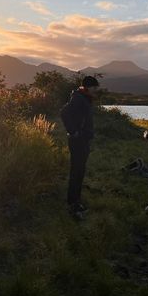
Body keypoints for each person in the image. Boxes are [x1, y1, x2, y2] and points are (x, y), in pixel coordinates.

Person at [60, 75, 99, 218]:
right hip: (78, 141)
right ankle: (73, 205)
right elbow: (64, 113)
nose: (96, 90)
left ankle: (75, 201)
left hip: (83, 140)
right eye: (95, 88)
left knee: (79, 171)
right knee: (76, 172)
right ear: (88, 87)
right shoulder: (78, 98)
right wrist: (74, 132)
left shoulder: (84, 98)